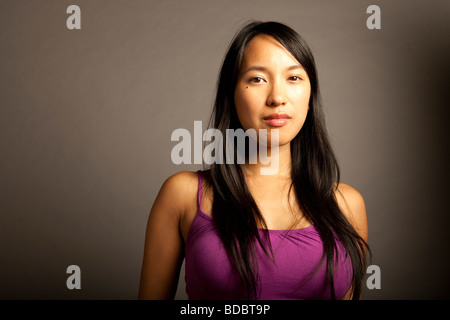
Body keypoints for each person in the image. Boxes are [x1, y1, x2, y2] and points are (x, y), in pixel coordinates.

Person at [138, 21, 369, 300]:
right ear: (232, 94)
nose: (277, 98)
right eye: (257, 79)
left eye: (294, 78)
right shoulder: (182, 193)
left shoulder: (347, 205)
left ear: (310, 98)